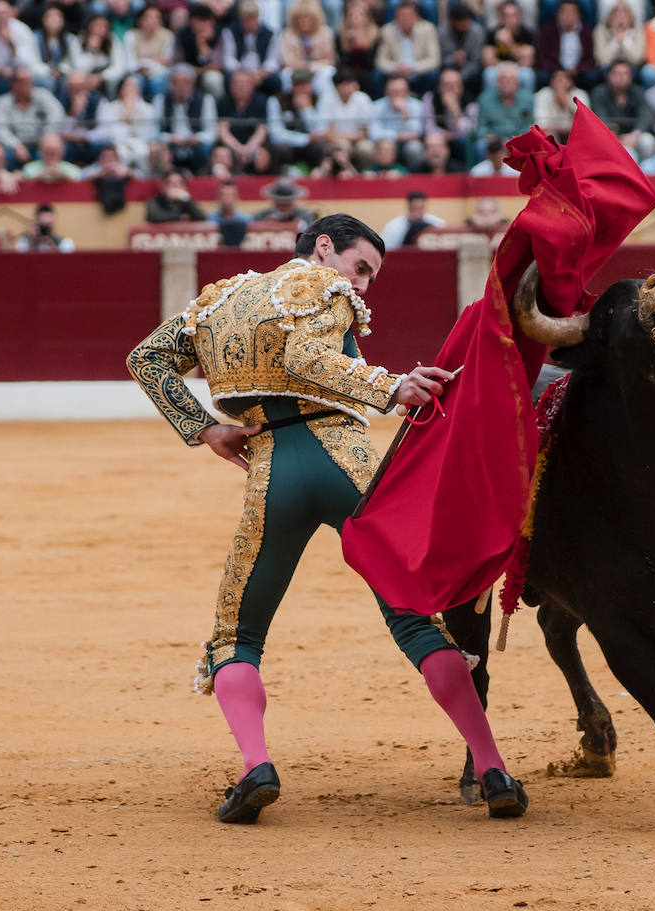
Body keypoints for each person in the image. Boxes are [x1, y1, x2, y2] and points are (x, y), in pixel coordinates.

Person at [124, 213, 530, 824]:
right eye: (360, 266)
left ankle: (256, 766)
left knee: (237, 635)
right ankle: (492, 766)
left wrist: (205, 428)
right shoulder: (325, 286)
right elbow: (304, 356)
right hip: (351, 466)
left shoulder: (218, 302)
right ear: (322, 248)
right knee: (415, 618)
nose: (362, 284)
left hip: (273, 470)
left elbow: (146, 358)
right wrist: (391, 387)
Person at [0, 66, 65, 167]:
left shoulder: (43, 95)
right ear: (13, 84)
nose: (29, 85)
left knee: (56, 148)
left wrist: (45, 139)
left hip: (41, 144)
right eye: (23, 82)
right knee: (2, 154)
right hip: (14, 147)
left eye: (31, 82)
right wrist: (16, 146)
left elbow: (57, 115)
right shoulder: (2, 102)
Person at [154, 63, 214, 175]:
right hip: (171, 143)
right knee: (158, 149)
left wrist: (198, 138)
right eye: (176, 82)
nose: (181, 87)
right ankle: (165, 180)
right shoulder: (160, 100)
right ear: (170, 84)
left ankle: (200, 178)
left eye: (185, 83)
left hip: (196, 144)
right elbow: (154, 132)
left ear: (192, 84)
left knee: (205, 149)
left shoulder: (205, 99)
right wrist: (169, 138)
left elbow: (211, 132)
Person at [591, 60, 654, 161]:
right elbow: (600, 118)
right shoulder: (599, 93)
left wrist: (634, 135)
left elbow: (645, 116)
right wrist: (616, 138)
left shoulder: (638, 92)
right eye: (617, 73)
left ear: (630, 77)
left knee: (648, 141)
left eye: (625, 74)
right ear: (609, 76)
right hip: (609, 135)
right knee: (628, 153)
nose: (621, 77)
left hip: (633, 135)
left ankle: (643, 174)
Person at [375, 0, 440, 96]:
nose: (405, 19)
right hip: (395, 73)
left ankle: (427, 104)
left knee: (433, 75)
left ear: (416, 17)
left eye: (408, 15)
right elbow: (380, 61)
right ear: (395, 17)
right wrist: (396, 68)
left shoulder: (428, 29)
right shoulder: (387, 31)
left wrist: (412, 67)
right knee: (377, 76)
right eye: (401, 16)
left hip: (418, 72)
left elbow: (434, 60)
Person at [215, 67, 270, 175]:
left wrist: (249, 148)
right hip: (231, 144)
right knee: (221, 154)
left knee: (261, 155)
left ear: (252, 85)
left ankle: (258, 183)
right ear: (230, 85)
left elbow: (262, 130)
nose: (241, 86)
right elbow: (222, 130)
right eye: (237, 83)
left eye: (245, 83)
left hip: (253, 144)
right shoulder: (223, 102)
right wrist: (238, 148)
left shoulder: (261, 102)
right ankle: (227, 185)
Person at [221, 0, 280, 95]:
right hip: (239, 72)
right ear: (241, 18)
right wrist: (244, 75)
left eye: (253, 17)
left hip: (260, 73)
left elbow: (272, 61)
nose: (250, 21)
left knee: (275, 82)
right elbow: (229, 60)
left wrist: (260, 74)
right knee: (228, 79)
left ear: (258, 16)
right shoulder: (230, 32)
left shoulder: (270, 34)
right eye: (247, 18)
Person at [474, 61, 530, 159]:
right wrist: (498, 140)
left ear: (517, 82)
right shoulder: (484, 99)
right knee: (480, 145)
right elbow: (482, 129)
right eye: (504, 79)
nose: (507, 82)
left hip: (519, 141)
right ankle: (484, 174)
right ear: (497, 81)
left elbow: (529, 126)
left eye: (511, 79)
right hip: (495, 143)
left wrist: (513, 142)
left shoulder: (528, 99)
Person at [536, 0, 596, 90]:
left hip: (578, 73)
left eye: (571, 12)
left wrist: (577, 70)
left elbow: (590, 59)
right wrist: (558, 71)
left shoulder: (586, 33)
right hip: (553, 71)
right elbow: (542, 57)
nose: (567, 16)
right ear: (557, 14)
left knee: (590, 76)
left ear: (578, 15)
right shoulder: (547, 31)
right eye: (564, 12)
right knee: (542, 76)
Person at [368, 73, 423, 170]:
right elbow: (373, 133)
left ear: (407, 92)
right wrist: (396, 136)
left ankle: (414, 177)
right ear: (387, 93)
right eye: (393, 92)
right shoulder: (376, 106)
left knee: (415, 148)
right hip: (384, 143)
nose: (397, 95)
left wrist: (406, 113)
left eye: (400, 92)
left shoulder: (417, 105)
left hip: (408, 143)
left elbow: (418, 132)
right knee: (373, 148)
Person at [122, 4, 172, 99]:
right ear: (141, 20)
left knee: (158, 81)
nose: (153, 20)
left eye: (157, 17)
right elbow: (130, 63)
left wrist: (145, 63)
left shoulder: (168, 36)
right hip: (136, 73)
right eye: (149, 17)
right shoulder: (130, 35)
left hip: (158, 74)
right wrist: (154, 61)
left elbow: (167, 62)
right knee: (135, 81)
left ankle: (159, 109)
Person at [593, 2, 647, 87]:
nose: (620, 20)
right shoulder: (601, 31)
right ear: (610, 18)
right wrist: (615, 40)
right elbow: (603, 60)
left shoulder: (638, 31)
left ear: (630, 18)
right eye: (617, 16)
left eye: (624, 16)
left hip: (632, 68)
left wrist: (625, 40)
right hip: (608, 68)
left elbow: (637, 59)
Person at [437, 3, 483, 95]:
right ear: (453, 21)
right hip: (448, 69)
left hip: (469, 70)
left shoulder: (477, 32)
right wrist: (453, 58)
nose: (466, 24)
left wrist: (460, 76)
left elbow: (477, 61)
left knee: (475, 76)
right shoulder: (441, 33)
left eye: (468, 21)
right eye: (462, 22)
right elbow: (439, 60)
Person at [532, 68, 587, 142]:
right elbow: (541, 125)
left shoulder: (580, 95)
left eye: (564, 79)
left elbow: (584, 124)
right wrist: (566, 129)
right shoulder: (543, 94)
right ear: (551, 82)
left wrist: (566, 103)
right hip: (552, 140)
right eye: (556, 79)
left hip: (575, 138)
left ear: (571, 82)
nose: (559, 82)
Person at [211, 177, 251, 245]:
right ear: (218, 197)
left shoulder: (246, 220)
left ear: (237, 197)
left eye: (231, 195)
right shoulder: (211, 219)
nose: (227, 198)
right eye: (223, 194)